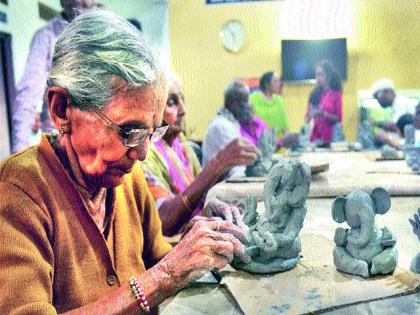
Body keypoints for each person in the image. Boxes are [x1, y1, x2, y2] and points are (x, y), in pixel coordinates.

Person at [0, 10, 250, 314]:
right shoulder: (18, 192)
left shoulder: (126, 179)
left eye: (151, 131)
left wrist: (199, 239)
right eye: (129, 131)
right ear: (62, 109)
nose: (142, 153)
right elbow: (159, 274)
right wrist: (164, 275)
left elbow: (156, 258)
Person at [142, 74, 259, 236]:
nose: (184, 110)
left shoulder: (180, 144)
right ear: (150, 110)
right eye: (171, 102)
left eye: (182, 100)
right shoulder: (145, 153)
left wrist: (222, 167)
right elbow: (162, 221)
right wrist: (218, 162)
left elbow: (200, 190)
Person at [10, 0, 99, 153]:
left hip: (98, 136)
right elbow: (27, 96)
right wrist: (19, 157)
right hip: (62, 142)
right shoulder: (46, 37)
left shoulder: (100, 32)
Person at [203, 80, 274, 176]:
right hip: (218, 187)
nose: (249, 105)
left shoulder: (232, 123)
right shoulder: (222, 126)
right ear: (233, 104)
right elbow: (239, 168)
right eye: (245, 100)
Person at [367, 79, 417, 148]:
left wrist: (376, 124)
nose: (378, 101)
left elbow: (395, 126)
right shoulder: (395, 105)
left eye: (377, 97)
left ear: (386, 92)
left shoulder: (401, 103)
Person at [305, 60, 343, 146]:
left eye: (320, 75)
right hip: (315, 139)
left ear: (328, 76)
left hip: (331, 140)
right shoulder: (314, 94)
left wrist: (324, 114)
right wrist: (311, 115)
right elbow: (307, 119)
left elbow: (339, 119)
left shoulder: (336, 95)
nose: (317, 78)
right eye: (316, 75)